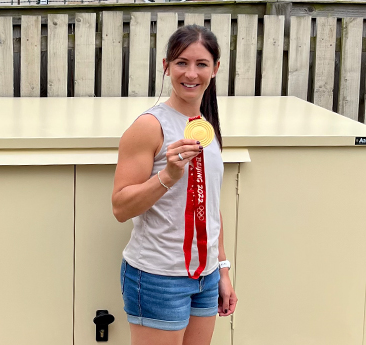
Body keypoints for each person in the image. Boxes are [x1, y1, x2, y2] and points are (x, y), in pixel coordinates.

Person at [112, 25, 237, 345]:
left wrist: (222, 270)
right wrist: (166, 176)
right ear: (166, 66)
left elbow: (211, 206)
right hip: (157, 277)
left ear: (216, 69)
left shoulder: (207, 129)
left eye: (201, 64)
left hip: (205, 278)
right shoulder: (148, 126)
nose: (191, 73)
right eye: (182, 63)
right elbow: (120, 207)